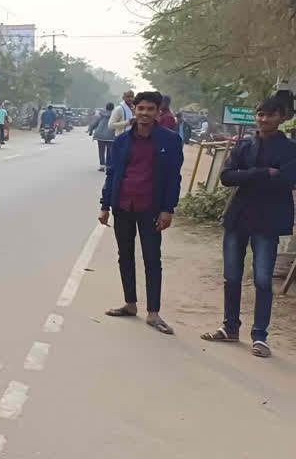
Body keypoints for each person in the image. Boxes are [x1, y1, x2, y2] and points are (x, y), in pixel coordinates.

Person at [201, 98, 296, 358]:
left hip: (269, 221)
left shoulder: (291, 149)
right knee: (231, 276)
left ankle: (260, 337)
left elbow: (289, 179)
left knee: (263, 281)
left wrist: (249, 174)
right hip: (238, 218)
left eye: (270, 115)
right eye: (260, 114)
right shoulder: (244, 145)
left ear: (282, 118)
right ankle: (230, 327)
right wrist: (265, 173)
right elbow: (227, 177)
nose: (264, 119)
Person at [99, 91, 184, 336]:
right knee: (124, 255)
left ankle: (153, 312)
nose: (145, 114)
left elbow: (173, 178)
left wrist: (168, 209)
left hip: (151, 208)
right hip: (123, 205)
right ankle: (130, 303)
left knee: (151, 259)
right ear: (133, 110)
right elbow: (112, 174)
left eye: (150, 109)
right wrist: (105, 205)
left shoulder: (169, 140)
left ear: (158, 112)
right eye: (141, 109)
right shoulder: (122, 141)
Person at [89, 102, 116, 171]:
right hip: (111, 135)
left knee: (101, 150)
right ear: (113, 108)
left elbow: (95, 123)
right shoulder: (115, 115)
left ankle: (102, 166)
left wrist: (91, 130)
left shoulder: (101, 114)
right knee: (110, 151)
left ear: (106, 107)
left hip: (100, 134)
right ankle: (108, 165)